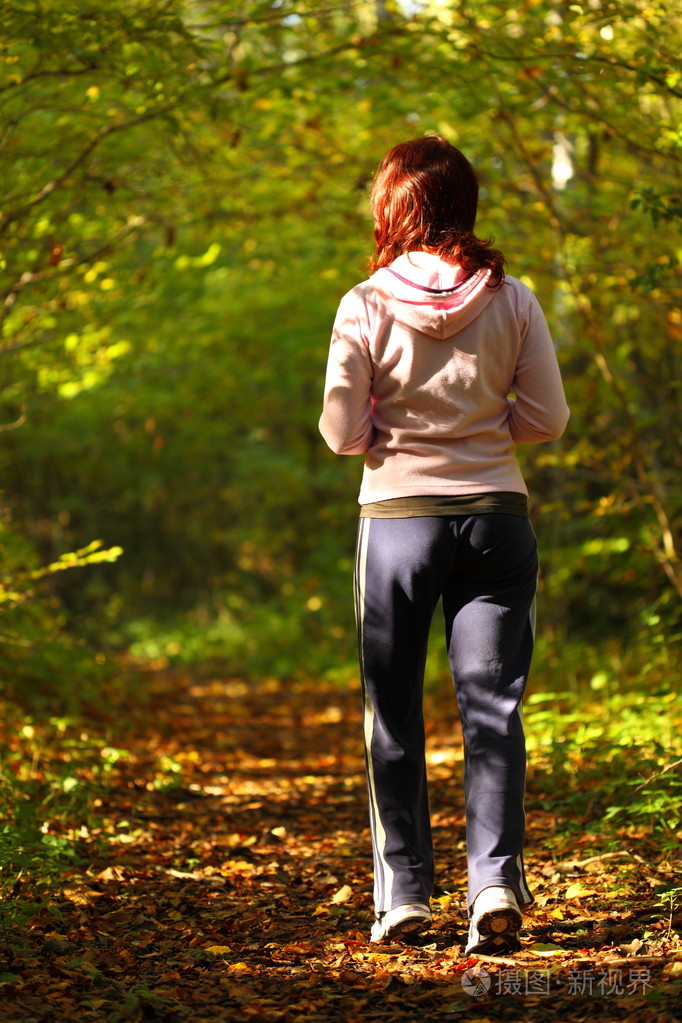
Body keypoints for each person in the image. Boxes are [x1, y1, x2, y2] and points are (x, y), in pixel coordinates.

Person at [318, 134, 569, 955]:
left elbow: (340, 433)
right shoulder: (514, 298)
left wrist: (390, 422)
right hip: (497, 516)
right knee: (493, 708)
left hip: (396, 523)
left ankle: (405, 895)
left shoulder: (364, 304)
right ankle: (494, 881)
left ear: (393, 208)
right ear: (464, 203)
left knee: (391, 709)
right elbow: (547, 420)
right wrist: (486, 423)